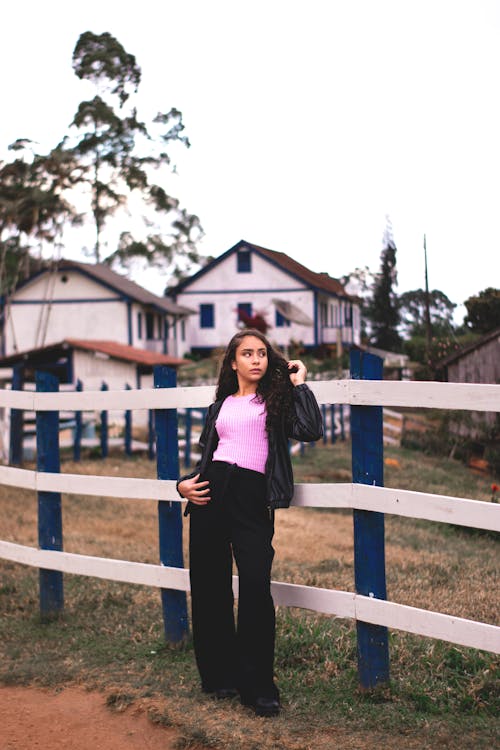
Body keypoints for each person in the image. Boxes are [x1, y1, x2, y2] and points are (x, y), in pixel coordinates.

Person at [177, 328, 323, 717]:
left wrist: (300, 384)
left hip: (252, 494)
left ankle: (259, 686)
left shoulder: (275, 401)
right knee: (209, 585)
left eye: (262, 353)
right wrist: (182, 485)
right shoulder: (220, 404)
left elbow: (310, 430)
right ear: (233, 362)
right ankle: (219, 676)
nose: (256, 359)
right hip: (211, 489)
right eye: (247, 353)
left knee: (256, 585)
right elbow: (208, 453)